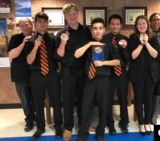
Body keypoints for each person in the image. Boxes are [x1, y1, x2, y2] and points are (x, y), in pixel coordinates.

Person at [75, 18, 120, 141]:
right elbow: (77, 54)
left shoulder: (109, 44)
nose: (98, 31)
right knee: (86, 107)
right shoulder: (87, 43)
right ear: (92, 30)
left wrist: (103, 63)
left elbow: (117, 61)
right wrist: (90, 44)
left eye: (100, 28)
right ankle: (83, 133)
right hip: (89, 80)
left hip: (103, 80)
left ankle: (100, 132)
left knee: (104, 107)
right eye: (95, 28)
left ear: (104, 29)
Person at [55, 3, 92, 141]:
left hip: (84, 70)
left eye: (74, 13)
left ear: (78, 14)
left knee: (84, 99)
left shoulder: (86, 31)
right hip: (68, 71)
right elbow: (58, 56)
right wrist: (63, 42)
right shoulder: (61, 34)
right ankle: (68, 127)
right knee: (68, 100)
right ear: (65, 17)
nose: (72, 16)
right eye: (68, 14)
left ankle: (84, 125)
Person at [24, 12, 62, 140]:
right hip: (36, 75)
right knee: (38, 102)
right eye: (39, 22)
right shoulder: (30, 40)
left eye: (45, 22)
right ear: (35, 24)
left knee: (56, 102)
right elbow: (29, 61)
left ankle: (58, 127)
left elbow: (57, 57)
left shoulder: (53, 39)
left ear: (47, 24)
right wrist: (35, 47)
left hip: (52, 74)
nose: (42, 24)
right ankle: (40, 128)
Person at [128, 15, 160, 136]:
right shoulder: (132, 38)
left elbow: (155, 54)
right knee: (138, 98)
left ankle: (147, 121)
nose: (142, 26)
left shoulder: (153, 37)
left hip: (151, 74)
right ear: (136, 26)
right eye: (139, 24)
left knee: (148, 99)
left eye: (144, 24)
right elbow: (133, 56)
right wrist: (141, 44)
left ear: (147, 25)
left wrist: (147, 42)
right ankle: (141, 123)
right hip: (137, 74)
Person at [7, 18, 35, 132]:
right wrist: (23, 43)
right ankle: (29, 121)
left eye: (27, 24)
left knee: (37, 99)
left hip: (36, 74)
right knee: (25, 100)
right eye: (22, 25)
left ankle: (38, 118)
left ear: (32, 25)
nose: (25, 27)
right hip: (20, 75)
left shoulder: (37, 37)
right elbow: (11, 55)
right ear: (19, 27)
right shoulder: (15, 38)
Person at [105, 14, 130, 134]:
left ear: (120, 25)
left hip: (121, 73)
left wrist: (125, 48)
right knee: (108, 99)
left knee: (123, 99)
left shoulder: (125, 39)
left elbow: (127, 59)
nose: (115, 26)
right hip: (108, 73)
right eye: (113, 24)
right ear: (109, 25)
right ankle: (110, 124)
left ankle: (124, 122)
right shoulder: (104, 39)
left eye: (117, 24)